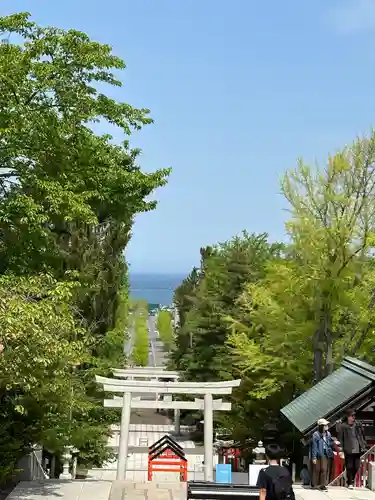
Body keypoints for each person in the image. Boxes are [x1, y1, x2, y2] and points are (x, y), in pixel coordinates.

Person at [338, 409, 366, 489]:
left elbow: (362, 435)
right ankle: (349, 482)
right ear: (348, 417)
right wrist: (341, 450)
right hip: (348, 449)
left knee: (357, 466)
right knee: (349, 466)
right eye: (351, 416)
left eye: (354, 416)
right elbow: (340, 439)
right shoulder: (343, 426)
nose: (353, 418)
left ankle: (352, 479)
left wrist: (363, 445)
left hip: (357, 448)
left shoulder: (357, 425)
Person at [311, 418, 333, 491]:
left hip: (325, 453)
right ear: (321, 426)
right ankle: (314, 484)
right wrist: (314, 457)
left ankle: (323, 485)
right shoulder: (316, 434)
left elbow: (329, 443)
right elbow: (314, 446)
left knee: (324, 469)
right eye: (325, 425)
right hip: (317, 453)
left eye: (327, 425)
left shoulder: (328, 434)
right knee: (317, 469)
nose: (327, 426)